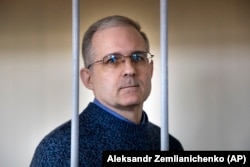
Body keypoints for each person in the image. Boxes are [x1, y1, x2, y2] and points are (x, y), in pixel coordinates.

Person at [30, 15, 183, 167]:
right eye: (112, 60)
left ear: (150, 69)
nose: (129, 70)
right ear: (88, 79)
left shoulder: (169, 145)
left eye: (137, 57)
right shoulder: (61, 150)